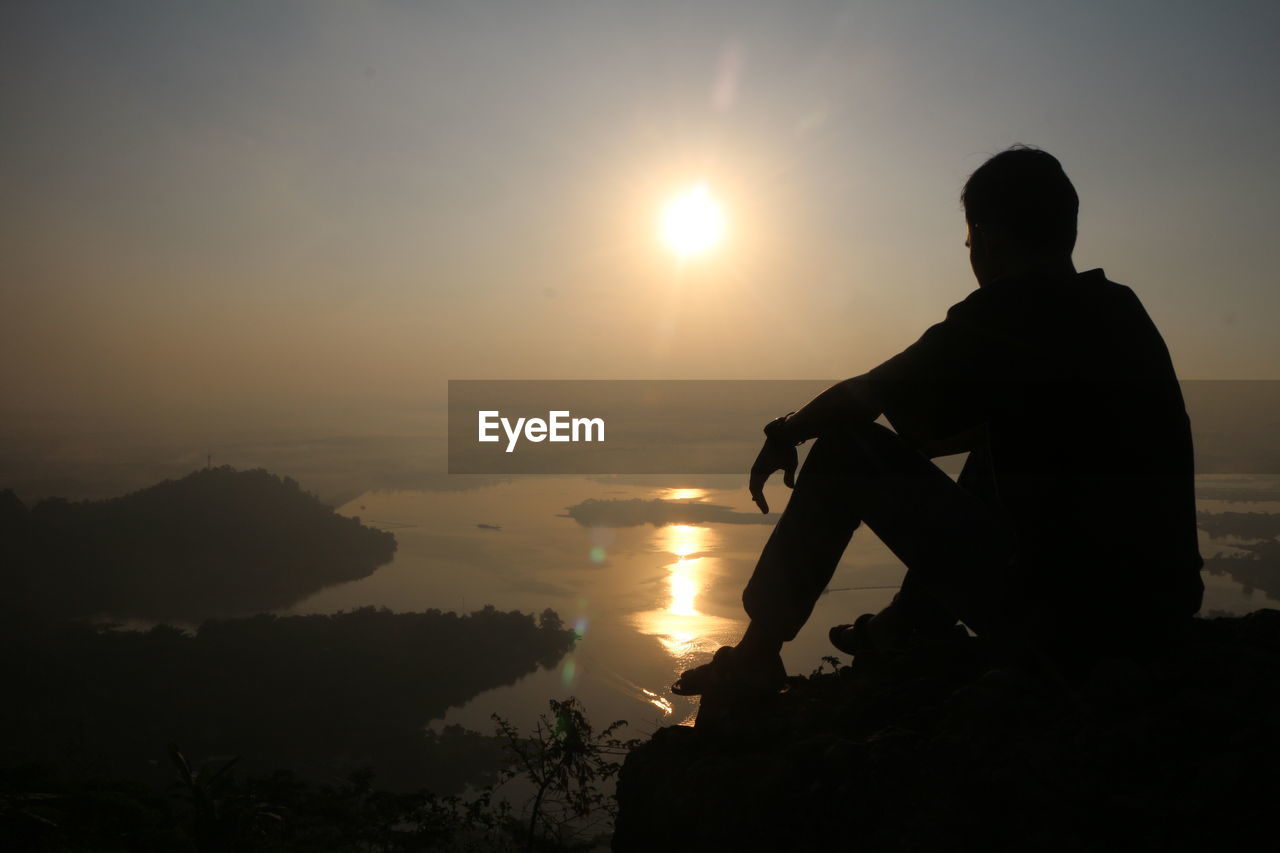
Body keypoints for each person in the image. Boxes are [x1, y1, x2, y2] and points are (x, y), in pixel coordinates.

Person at [672, 145, 1204, 704]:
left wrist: (786, 432)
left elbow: (867, 397)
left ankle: (756, 658)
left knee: (846, 450)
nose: (970, 254)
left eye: (969, 240)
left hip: (1067, 626)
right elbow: (944, 434)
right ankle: (907, 627)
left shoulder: (1009, 310)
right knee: (995, 446)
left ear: (986, 234)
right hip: (1159, 613)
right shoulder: (1122, 309)